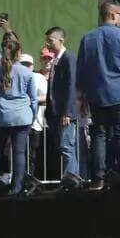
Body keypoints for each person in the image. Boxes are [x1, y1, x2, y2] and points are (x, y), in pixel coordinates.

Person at [77, 2, 120, 191]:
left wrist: (81, 98)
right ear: (113, 15)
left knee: (98, 135)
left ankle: (98, 180)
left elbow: (81, 71)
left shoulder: (87, 38)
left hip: (96, 95)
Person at [0, 38, 38, 195]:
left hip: (1, 116)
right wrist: (33, 115)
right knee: (19, 153)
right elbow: (33, 99)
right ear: (19, 54)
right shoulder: (27, 72)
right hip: (22, 117)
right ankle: (16, 187)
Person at [43, 27, 79, 183]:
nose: (48, 44)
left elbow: (71, 86)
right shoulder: (56, 59)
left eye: (51, 40)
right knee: (62, 147)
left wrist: (67, 113)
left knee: (67, 147)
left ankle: (71, 180)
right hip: (54, 112)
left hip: (64, 113)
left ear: (61, 40)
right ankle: (69, 178)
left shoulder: (68, 58)